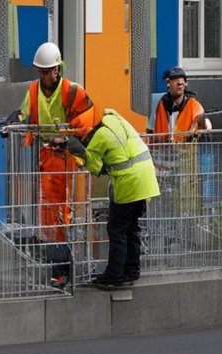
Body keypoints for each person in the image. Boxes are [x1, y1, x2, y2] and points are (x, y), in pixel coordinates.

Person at [64, 109, 160, 289]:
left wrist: (79, 150)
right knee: (131, 227)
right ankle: (131, 270)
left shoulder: (100, 135)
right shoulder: (115, 119)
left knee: (117, 229)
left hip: (129, 183)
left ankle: (114, 275)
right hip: (146, 180)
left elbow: (95, 166)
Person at [18, 42, 99, 251]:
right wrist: (14, 121)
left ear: (57, 69)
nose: (44, 77)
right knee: (48, 205)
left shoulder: (72, 90)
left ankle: (69, 251)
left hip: (69, 157)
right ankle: (52, 248)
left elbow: (88, 120)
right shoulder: (33, 90)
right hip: (46, 155)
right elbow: (25, 114)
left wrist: (68, 138)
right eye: (40, 72)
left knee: (68, 206)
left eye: (47, 72)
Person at [148, 65, 211, 217]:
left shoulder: (193, 105)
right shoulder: (160, 104)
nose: (180, 83)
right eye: (176, 80)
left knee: (185, 200)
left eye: (183, 80)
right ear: (168, 83)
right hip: (163, 160)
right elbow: (150, 131)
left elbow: (207, 125)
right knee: (162, 201)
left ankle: (183, 229)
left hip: (184, 161)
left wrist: (198, 122)